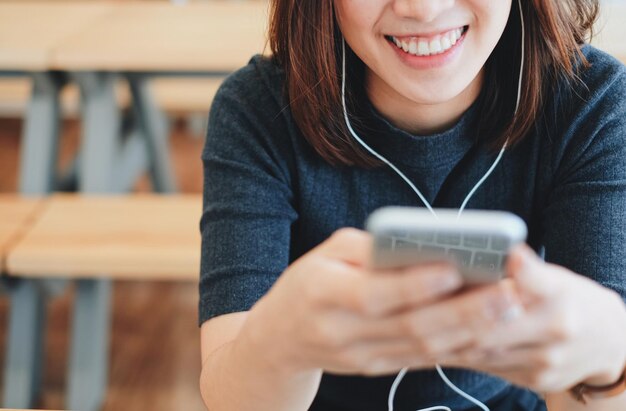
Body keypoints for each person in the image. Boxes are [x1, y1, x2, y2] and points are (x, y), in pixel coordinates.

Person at [198, 0, 626, 410]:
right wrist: (282, 339)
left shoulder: (591, 104)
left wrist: (608, 355)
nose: (422, 8)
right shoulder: (256, 110)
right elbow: (229, 396)